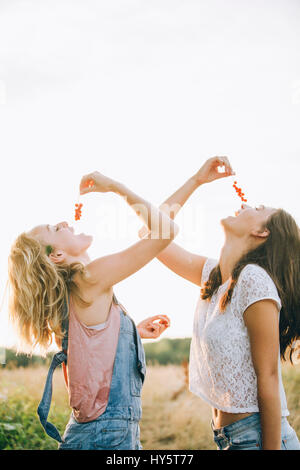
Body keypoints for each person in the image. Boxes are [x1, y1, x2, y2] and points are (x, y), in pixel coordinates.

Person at [7, 170, 179, 450]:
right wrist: (116, 187)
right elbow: (167, 231)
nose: (64, 222)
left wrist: (131, 333)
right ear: (57, 255)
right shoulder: (88, 278)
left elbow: (88, 346)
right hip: (106, 435)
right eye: (54, 228)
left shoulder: (74, 292)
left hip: (99, 433)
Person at [138, 156, 300, 450]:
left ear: (262, 233)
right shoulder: (216, 275)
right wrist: (196, 181)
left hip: (257, 439)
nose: (249, 205)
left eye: (259, 209)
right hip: (230, 439)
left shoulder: (254, 280)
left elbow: (269, 377)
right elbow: (149, 236)